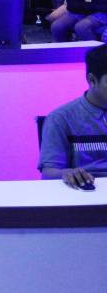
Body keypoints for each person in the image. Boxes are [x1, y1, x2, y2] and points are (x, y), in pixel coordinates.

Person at [39, 43, 107, 188]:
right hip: (85, 191)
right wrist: (67, 173)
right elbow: (48, 172)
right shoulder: (60, 118)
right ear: (92, 80)